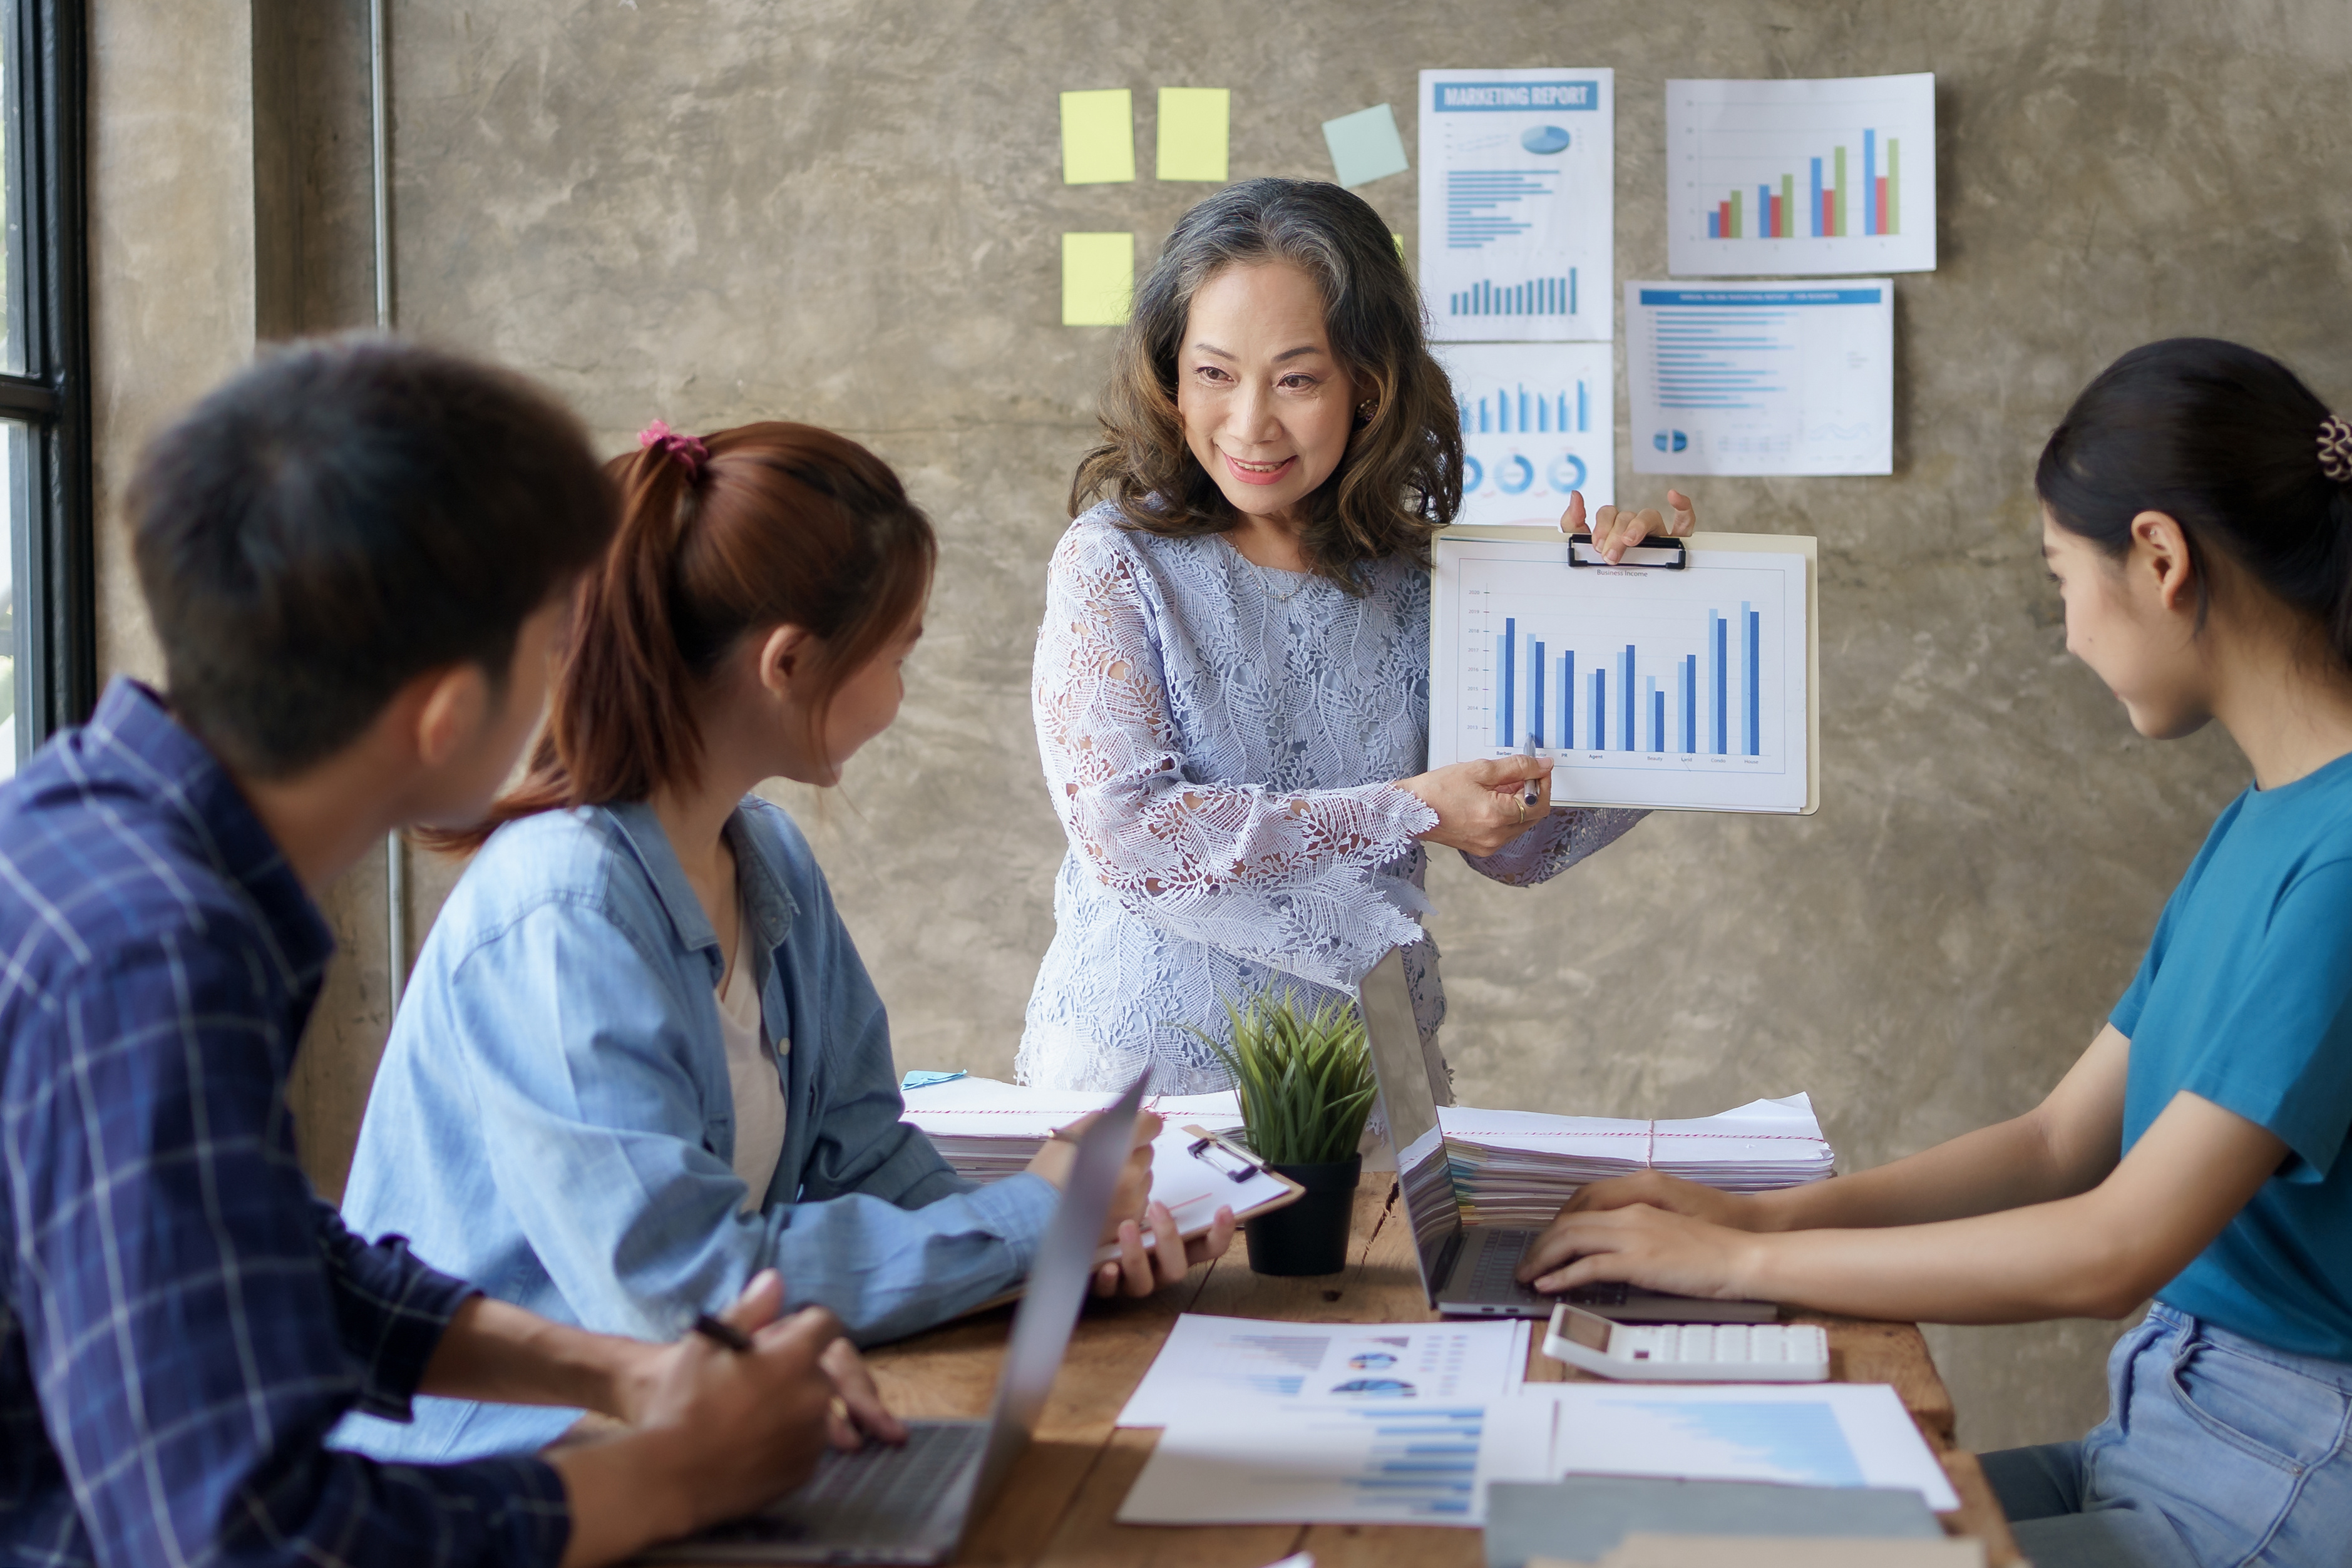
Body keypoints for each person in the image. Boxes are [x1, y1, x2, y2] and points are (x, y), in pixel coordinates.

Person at [0, 340, 896, 1568]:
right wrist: (671, 1475)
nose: (575, 673)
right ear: (444, 714)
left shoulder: (73, 824)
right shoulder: (160, 960)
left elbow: (257, 1256)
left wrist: (628, 1372)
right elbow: (246, 1540)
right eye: (550, 640)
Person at [1519, 338, 2352, 1568]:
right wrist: (1758, 1210)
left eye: (2061, 576)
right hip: (2162, 1430)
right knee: (1673, 1520)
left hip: (2271, 1481)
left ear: (2160, 560)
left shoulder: (2337, 864)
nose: (2066, 632)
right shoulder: (2263, 820)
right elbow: (2054, 1140)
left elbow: (2111, 1244)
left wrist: (1743, 1259)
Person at [334, 418, 1233, 1468]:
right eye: (897, 653)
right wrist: (1028, 1222)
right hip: (506, 1472)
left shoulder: (763, 857)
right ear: (790, 662)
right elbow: (682, 1293)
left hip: (678, 1443)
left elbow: (860, 1160)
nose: (900, 692)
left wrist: (1061, 1243)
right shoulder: (561, 913)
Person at [1021, 177, 1685, 1095]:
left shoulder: (1422, 583)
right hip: (1146, 1093)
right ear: (1172, 377)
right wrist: (1410, 806)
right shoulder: (1114, 561)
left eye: (1296, 379)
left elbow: (1520, 841)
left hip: (1369, 1086)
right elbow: (1131, 834)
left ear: (1368, 388)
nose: (1250, 422)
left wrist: (1645, 623)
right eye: (1213, 373)